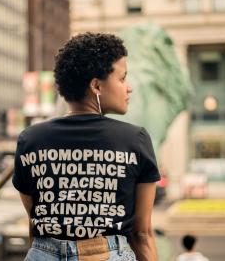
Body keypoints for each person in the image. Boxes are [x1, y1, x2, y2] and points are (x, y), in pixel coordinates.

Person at [13, 32, 161, 261]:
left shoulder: (30, 140)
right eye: (122, 79)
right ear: (96, 86)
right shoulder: (135, 140)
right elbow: (141, 234)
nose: (129, 88)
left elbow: (36, 225)